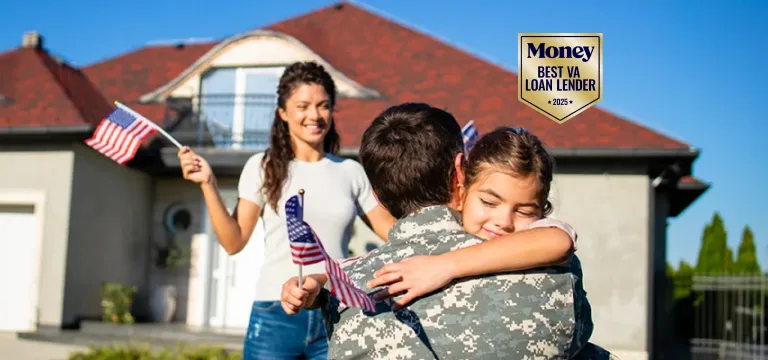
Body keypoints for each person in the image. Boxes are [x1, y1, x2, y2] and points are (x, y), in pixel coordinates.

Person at [280, 103, 588, 359]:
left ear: (374, 194)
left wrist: (446, 265)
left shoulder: (356, 290)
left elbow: (557, 239)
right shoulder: (554, 271)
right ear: (460, 172)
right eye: (491, 201)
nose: (505, 222)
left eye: (523, 210)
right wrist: (320, 283)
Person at [178, 61, 395, 359]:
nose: (314, 115)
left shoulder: (351, 172)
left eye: (323, 106)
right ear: (283, 113)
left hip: (337, 310)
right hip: (275, 316)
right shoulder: (262, 167)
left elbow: (395, 233)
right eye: (302, 106)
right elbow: (233, 241)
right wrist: (208, 184)